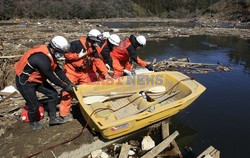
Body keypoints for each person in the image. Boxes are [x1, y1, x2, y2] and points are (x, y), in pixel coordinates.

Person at [15, 36, 75, 130]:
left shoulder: (50, 53)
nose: (62, 55)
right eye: (61, 52)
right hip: (26, 82)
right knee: (33, 105)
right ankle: (33, 123)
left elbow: (57, 70)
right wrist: (65, 86)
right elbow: (51, 77)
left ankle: (53, 119)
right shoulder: (41, 59)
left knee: (53, 94)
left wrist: (69, 82)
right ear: (55, 49)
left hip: (37, 79)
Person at [59, 29, 103, 121]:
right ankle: (64, 114)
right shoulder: (76, 44)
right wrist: (78, 56)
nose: (97, 44)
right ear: (91, 39)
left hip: (83, 71)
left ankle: (86, 110)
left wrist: (105, 73)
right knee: (68, 92)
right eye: (96, 42)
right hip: (71, 71)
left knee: (86, 89)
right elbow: (67, 54)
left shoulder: (94, 48)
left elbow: (98, 61)